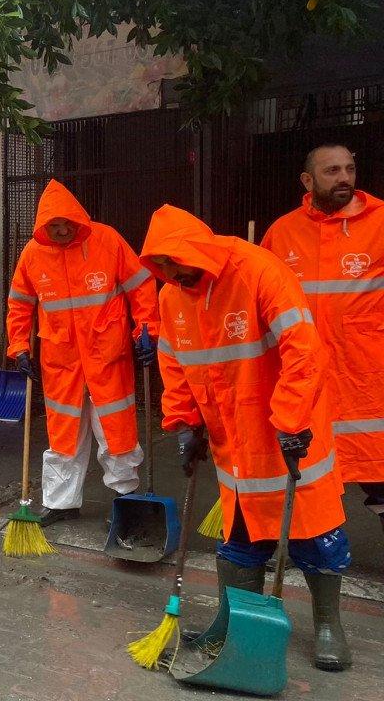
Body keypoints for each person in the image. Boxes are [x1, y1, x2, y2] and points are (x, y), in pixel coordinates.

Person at [142, 204, 350, 671]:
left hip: (288, 434)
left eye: (177, 262)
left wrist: (292, 419)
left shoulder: (259, 272)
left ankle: (328, 625)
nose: (173, 274)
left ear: (196, 250)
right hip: (233, 442)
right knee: (241, 535)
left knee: (315, 536)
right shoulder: (172, 297)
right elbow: (174, 365)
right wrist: (185, 423)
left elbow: (304, 350)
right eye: (162, 267)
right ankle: (235, 622)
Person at [6, 180, 160, 526]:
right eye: (54, 226)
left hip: (108, 354)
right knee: (64, 433)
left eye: (66, 224)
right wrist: (18, 347)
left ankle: (126, 498)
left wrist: (148, 330)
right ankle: (61, 503)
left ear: (78, 219)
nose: (61, 231)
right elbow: (19, 304)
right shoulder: (33, 254)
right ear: (42, 226)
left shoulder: (107, 240)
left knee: (115, 430)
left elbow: (141, 287)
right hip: (61, 359)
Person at [261, 144, 384, 535]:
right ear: (308, 180)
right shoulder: (282, 232)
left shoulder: (381, 224)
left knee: (378, 471)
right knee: (307, 476)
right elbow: (259, 301)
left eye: (349, 168)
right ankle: (305, 551)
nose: (344, 178)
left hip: (367, 381)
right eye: (332, 171)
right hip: (305, 380)